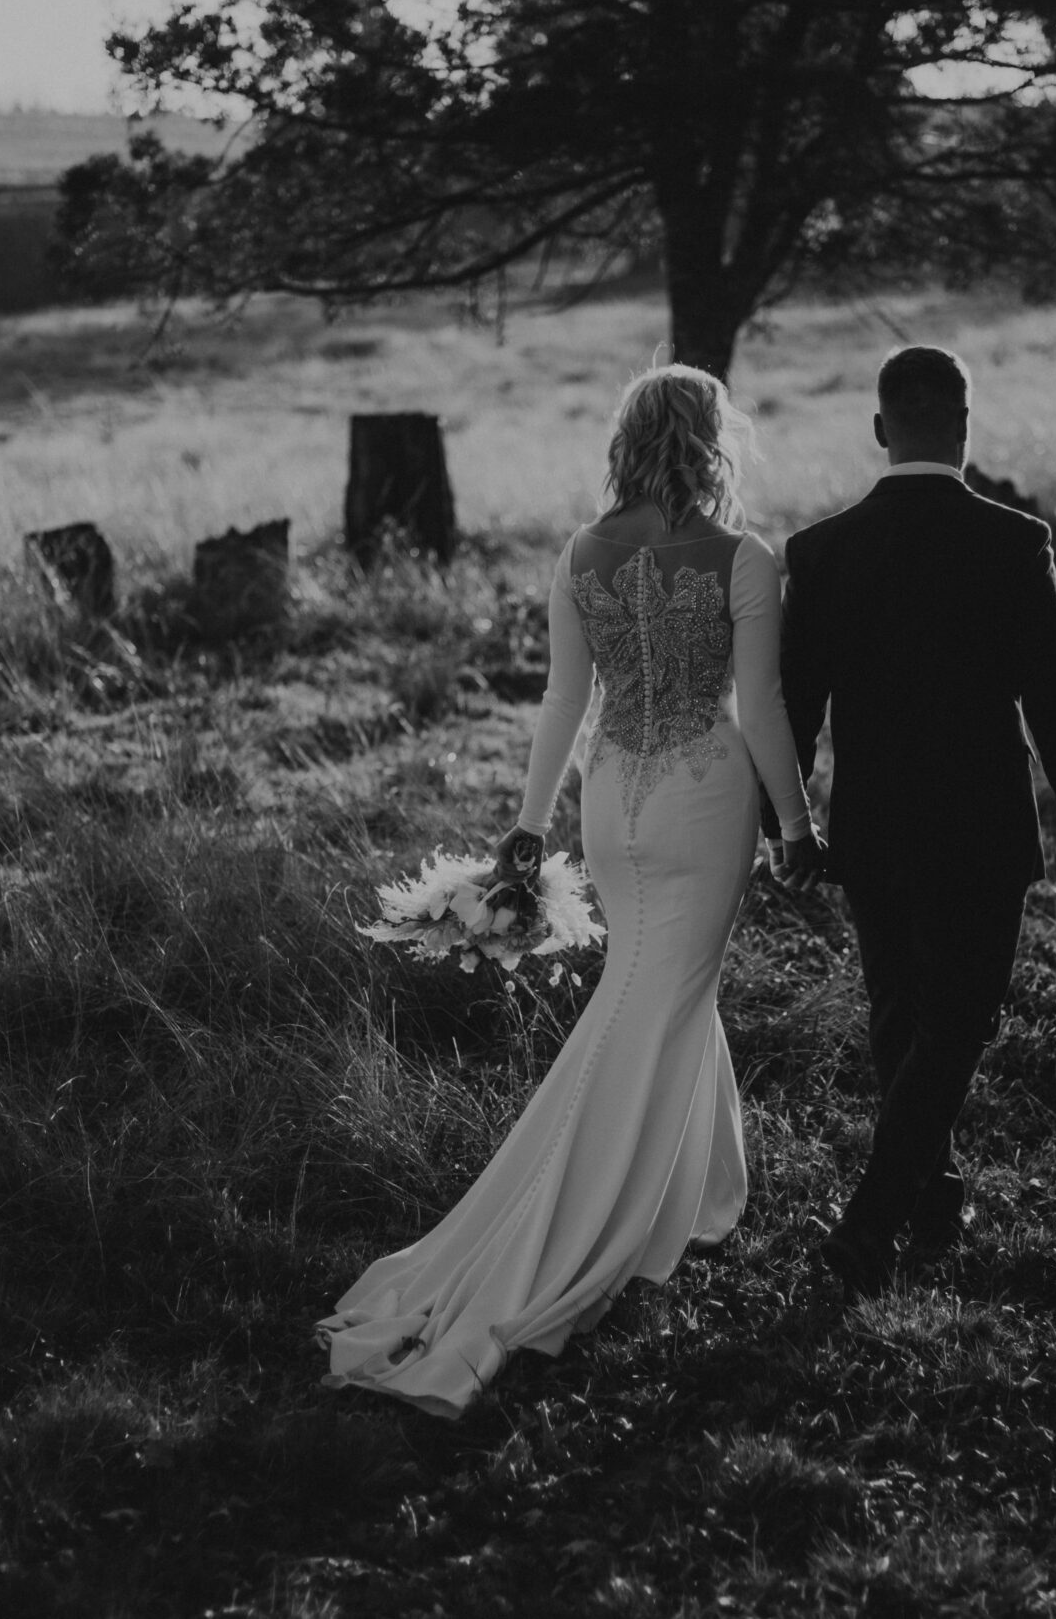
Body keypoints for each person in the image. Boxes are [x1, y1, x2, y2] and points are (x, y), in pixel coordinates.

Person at [319, 363, 823, 1417]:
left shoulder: (582, 553)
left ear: (630, 440)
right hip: (704, 791)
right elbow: (764, 703)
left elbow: (562, 698)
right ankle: (592, 1219)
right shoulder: (742, 558)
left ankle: (701, 1194)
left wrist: (531, 818)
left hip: (612, 796)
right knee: (662, 995)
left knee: (658, 989)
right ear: (710, 441)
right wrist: (795, 820)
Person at [775, 344, 1056, 1295]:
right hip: (982, 831)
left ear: (879, 429)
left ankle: (932, 1201)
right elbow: (1054, 692)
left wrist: (785, 824)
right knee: (958, 1025)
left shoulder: (822, 550)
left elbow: (794, 706)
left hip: (872, 828)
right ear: (965, 428)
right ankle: (870, 1228)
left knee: (901, 1018)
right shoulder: (1013, 542)